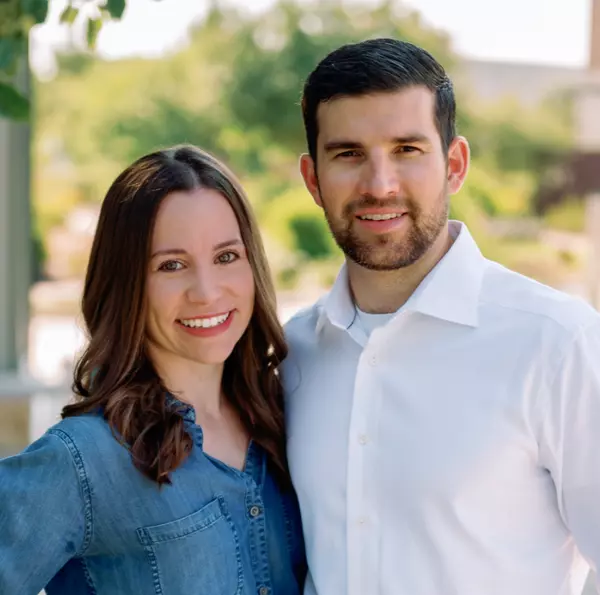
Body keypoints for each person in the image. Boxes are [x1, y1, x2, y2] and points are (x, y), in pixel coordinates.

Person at [282, 37, 600, 595]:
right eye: (349, 154)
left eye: (407, 149)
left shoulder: (556, 342)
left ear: (454, 165)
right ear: (313, 179)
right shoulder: (293, 354)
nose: (379, 185)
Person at [0, 145, 306, 595]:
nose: (206, 292)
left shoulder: (287, 422)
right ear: (126, 283)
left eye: (226, 257)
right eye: (172, 265)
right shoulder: (82, 459)